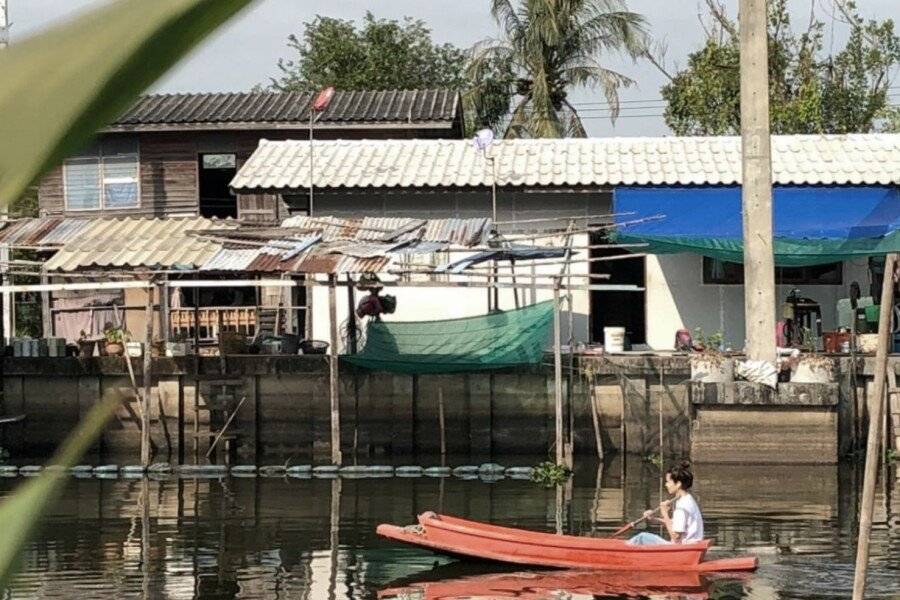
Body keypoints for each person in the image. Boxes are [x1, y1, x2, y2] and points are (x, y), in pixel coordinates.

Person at [628, 461, 704, 545]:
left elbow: (676, 537)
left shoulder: (682, 506)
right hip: (687, 545)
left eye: (668, 482)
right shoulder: (687, 499)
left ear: (678, 484)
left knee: (642, 537)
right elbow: (675, 524)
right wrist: (654, 519)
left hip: (682, 548)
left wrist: (665, 513)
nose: (666, 485)